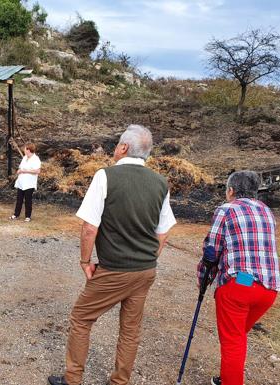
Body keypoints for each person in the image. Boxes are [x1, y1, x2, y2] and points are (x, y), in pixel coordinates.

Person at [48, 124, 176, 385]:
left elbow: (89, 227)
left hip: (114, 269)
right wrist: (149, 258)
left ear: (124, 147)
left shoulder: (105, 176)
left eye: (117, 144)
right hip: (145, 270)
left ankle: (73, 379)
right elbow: (163, 232)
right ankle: (119, 382)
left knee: (81, 318)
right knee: (130, 329)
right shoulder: (161, 183)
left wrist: (85, 262)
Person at [198, 171, 280, 385]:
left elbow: (212, 251)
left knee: (233, 340)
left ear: (231, 190)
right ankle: (228, 376)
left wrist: (203, 280)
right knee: (237, 335)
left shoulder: (226, 209)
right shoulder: (266, 211)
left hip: (240, 285)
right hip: (269, 289)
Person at [10, 142, 41, 222]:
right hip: (21, 182)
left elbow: (37, 171)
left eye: (25, 149)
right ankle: (16, 214)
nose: (24, 150)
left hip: (29, 183)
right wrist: (19, 171)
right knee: (19, 199)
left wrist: (26, 171)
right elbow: (20, 168)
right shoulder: (24, 158)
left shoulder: (36, 159)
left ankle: (28, 216)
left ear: (28, 150)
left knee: (28, 200)